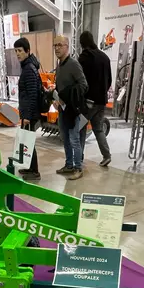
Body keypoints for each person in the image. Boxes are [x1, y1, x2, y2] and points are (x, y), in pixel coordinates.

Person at [52, 35, 88, 180]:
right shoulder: (60, 65)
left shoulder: (73, 64)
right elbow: (60, 85)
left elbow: (83, 85)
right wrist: (57, 99)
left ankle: (78, 167)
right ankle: (68, 165)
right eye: (55, 45)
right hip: (62, 108)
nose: (57, 48)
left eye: (60, 45)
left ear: (67, 46)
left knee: (74, 139)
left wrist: (67, 96)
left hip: (73, 109)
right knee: (65, 138)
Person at [78, 31, 112, 167]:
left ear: (82, 44)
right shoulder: (105, 57)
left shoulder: (84, 58)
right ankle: (106, 155)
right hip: (101, 101)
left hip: (88, 102)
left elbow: (81, 81)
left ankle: (79, 159)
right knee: (98, 129)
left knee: (80, 128)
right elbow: (109, 80)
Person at [13, 37, 42, 181]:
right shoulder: (28, 66)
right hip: (26, 112)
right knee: (27, 141)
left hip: (29, 114)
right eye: (16, 51)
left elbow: (32, 95)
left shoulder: (29, 69)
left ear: (27, 51)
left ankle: (35, 171)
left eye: (20, 51)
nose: (17, 53)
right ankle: (30, 167)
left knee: (29, 141)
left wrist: (27, 116)